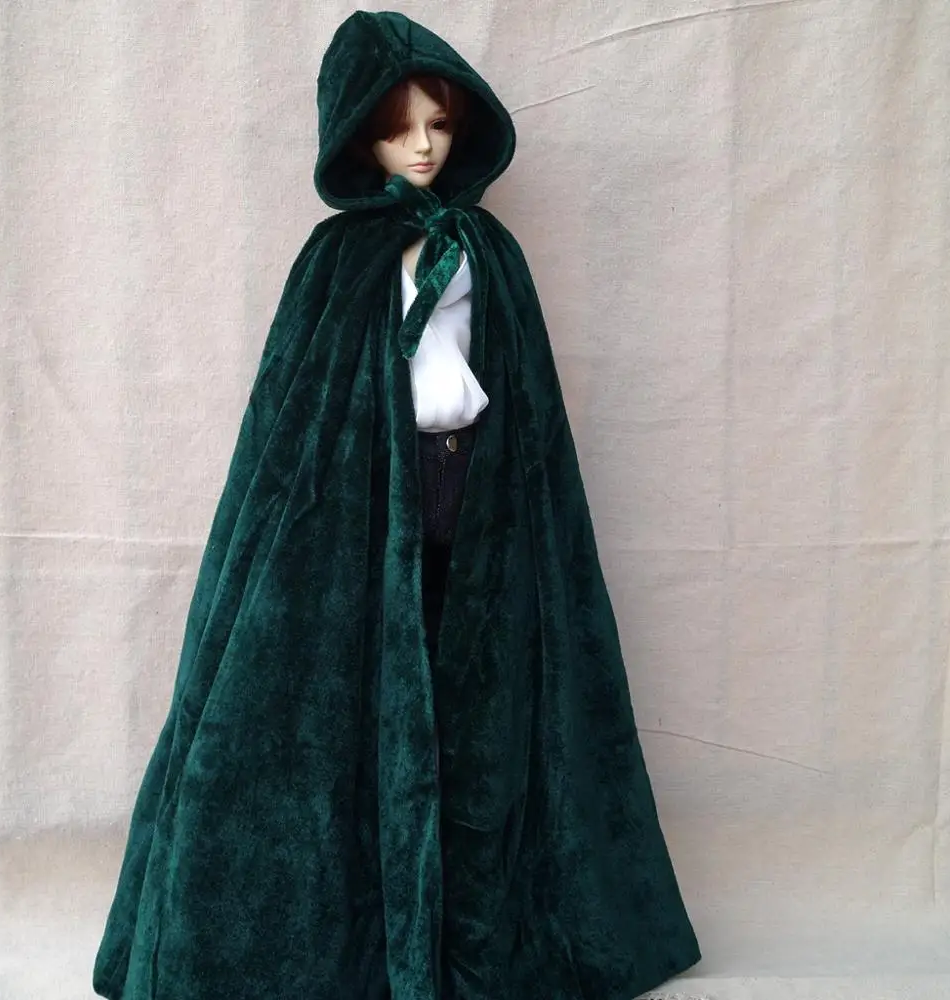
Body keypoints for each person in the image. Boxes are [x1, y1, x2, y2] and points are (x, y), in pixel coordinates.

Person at [93, 11, 700, 1000]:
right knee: (364, 689)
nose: (422, 146)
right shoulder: (336, 261)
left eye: (438, 123)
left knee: (474, 693)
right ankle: (355, 934)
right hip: (368, 498)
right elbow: (293, 413)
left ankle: (472, 923)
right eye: (397, 127)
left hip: (478, 485)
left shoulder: (488, 249)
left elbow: (523, 393)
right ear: (357, 137)